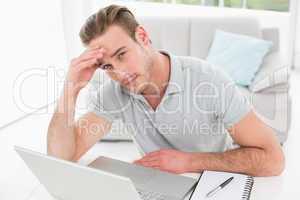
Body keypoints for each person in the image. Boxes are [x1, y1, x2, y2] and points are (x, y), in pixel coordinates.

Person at [47, 4, 284, 176]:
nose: (119, 73)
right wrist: (71, 89)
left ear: (142, 36)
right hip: (157, 188)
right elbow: (63, 157)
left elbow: (273, 159)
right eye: (107, 66)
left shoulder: (209, 81)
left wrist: (188, 162)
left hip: (212, 181)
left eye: (122, 55)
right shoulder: (114, 92)